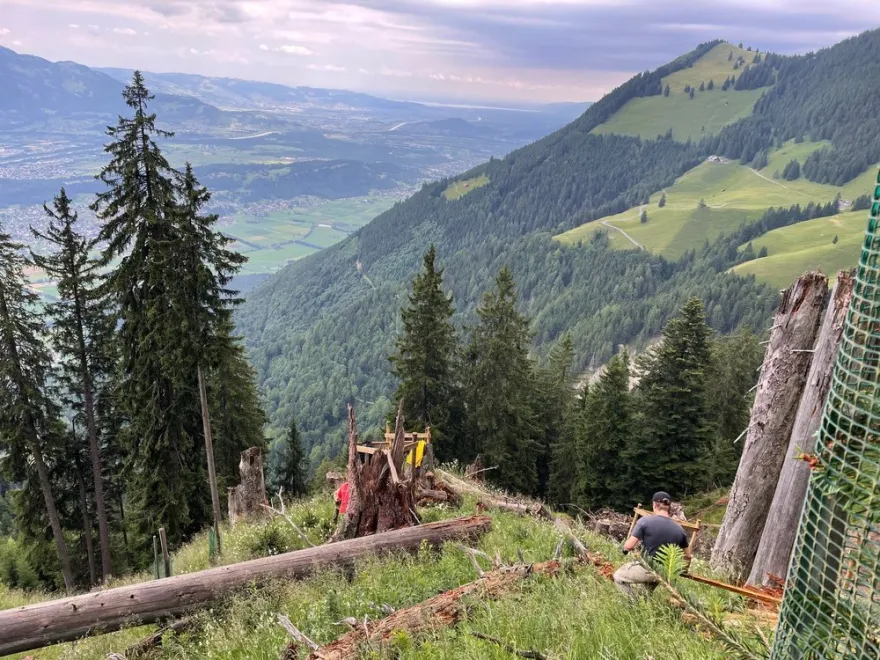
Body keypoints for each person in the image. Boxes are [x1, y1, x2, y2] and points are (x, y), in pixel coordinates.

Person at [613, 491, 691, 599]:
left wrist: (624, 549)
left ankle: (632, 603)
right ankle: (642, 605)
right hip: (666, 573)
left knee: (618, 576)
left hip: (649, 569)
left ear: (654, 505)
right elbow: (688, 556)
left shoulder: (645, 521)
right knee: (645, 594)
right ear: (669, 507)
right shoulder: (679, 528)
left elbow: (629, 546)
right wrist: (683, 571)